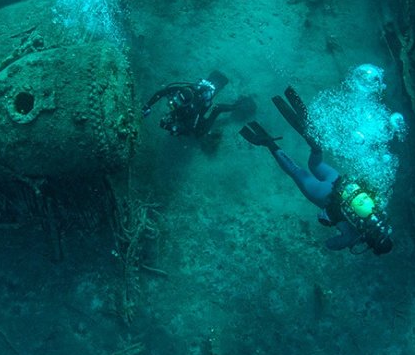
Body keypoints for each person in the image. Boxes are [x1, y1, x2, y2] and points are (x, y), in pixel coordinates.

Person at [239, 86, 394, 255]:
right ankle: (269, 143)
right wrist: (349, 242)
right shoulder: (355, 235)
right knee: (295, 170)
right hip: (324, 196)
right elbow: (329, 244)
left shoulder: (380, 212)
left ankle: (314, 143)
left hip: (338, 181)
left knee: (315, 162)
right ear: (373, 245)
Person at [141, 70, 252, 137]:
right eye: (176, 99)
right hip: (190, 108)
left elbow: (191, 128)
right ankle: (215, 79)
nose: (175, 102)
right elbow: (161, 93)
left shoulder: (193, 108)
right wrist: (148, 105)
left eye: (180, 102)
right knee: (179, 114)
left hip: (198, 112)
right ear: (178, 92)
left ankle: (238, 106)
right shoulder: (179, 89)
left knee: (200, 132)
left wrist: (176, 129)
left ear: (187, 104)